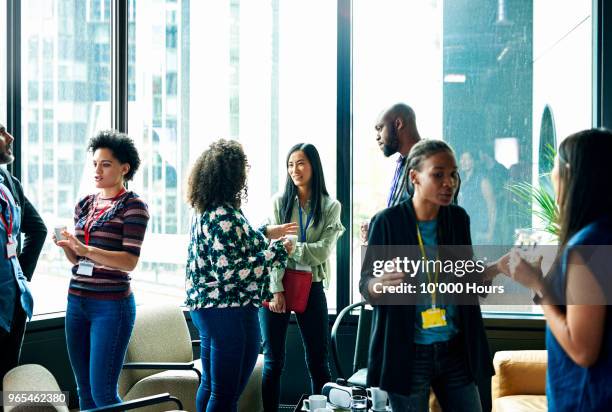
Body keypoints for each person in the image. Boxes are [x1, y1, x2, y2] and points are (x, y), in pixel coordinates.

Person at [360, 140, 500, 412]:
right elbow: (365, 286)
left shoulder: (458, 219)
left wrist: (497, 268)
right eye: (438, 174)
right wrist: (379, 283)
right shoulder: (387, 223)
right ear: (414, 177)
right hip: (407, 352)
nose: (449, 182)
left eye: (453, 174)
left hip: (455, 349)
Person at [499, 128, 612, 411]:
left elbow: (583, 350)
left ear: (570, 172)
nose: (551, 174)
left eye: (555, 166)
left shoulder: (588, 246)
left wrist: (538, 286)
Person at [185, 139, 292, 412]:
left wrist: (268, 233)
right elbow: (230, 271)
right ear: (232, 174)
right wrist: (278, 251)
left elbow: (235, 246)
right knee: (225, 395)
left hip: (213, 309)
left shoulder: (210, 211)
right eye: (242, 169)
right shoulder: (223, 215)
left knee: (211, 386)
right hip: (225, 310)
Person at [53, 130, 149, 409]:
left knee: (103, 393)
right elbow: (80, 262)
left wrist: (86, 250)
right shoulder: (84, 203)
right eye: (95, 163)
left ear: (124, 168)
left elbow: (129, 261)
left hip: (111, 307)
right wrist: (69, 248)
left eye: (105, 164)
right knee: (83, 391)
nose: (97, 170)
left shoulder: (134, 206)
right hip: (77, 301)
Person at [259, 143, 345, 412]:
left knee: (319, 362)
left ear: (313, 166)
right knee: (273, 362)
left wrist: (294, 247)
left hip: (313, 285)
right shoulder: (278, 202)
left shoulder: (331, 206)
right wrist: (274, 289)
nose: (294, 170)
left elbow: (323, 252)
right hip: (278, 285)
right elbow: (271, 250)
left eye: (300, 163)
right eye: (290, 164)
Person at [0, 124, 46, 384]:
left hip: (14, 304)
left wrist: (22, 277)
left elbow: (38, 230)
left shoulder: (8, 181)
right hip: (8, 303)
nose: (10, 137)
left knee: (8, 384)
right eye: (1, 132)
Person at [360, 103, 422, 243]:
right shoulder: (404, 161)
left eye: (380, 128)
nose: (377, 137)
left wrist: (380, 227)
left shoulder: (427, 163)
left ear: (398, 124)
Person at [458, 151, 497, 244]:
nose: (464, 161)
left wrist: (490, 232)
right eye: (462, 159)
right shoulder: (460, 180)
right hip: (464, 227)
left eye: (467, 159)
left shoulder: (482, 181)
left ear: (474, 161)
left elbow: (492, 207)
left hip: (479, 229)